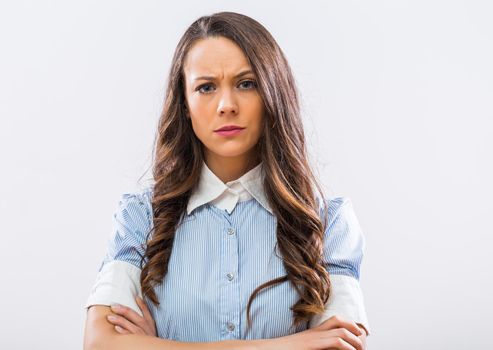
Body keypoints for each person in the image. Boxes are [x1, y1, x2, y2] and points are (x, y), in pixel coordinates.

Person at [83, 11, 370, 350]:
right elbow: (99, 343)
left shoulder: (328, 221)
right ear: (185, 103)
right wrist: (294, 343)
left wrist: (156, 344)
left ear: (272, 93)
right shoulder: (141, 216)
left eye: (246, 84)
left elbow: (340, 346)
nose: (226, 105)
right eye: (206, 87)